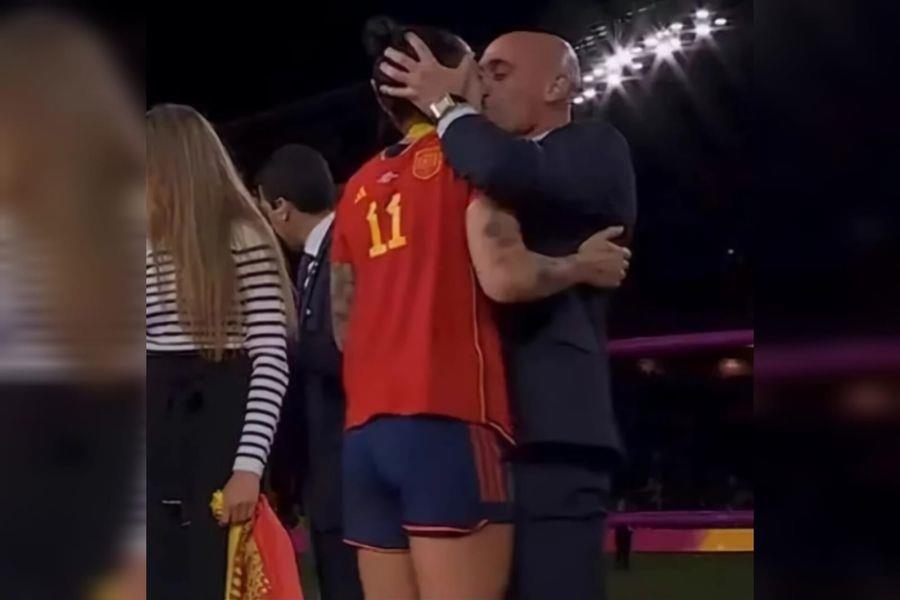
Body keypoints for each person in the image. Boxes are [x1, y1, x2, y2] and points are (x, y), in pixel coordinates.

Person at [329, 18, 631, 600]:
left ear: (557, 85)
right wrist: (578, 266)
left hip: (540, 433)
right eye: (480, 74)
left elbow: (345, 324)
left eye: (499, 73)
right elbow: (504, 273)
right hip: (462, 423)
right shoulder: (463, 164)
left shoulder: (589, 146)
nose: (485, 88)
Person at [146, 104, 294, 599]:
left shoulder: (243, 237)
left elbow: (270, 358)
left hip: (217, 431)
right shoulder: (141, 244)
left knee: (216, 578)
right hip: (155, 435)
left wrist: (248, 468)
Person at [256, 144, 364, 600]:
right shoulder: (314, 259)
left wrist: (282, 346)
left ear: (281, 207)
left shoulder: (345, 247)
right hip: (328, 478)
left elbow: (352, 350)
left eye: (266, 210)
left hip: (351, 473)